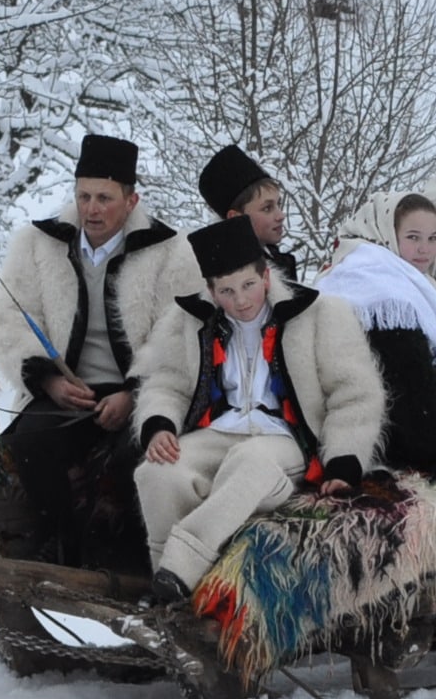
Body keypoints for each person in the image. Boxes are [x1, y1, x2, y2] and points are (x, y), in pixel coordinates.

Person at [132, 218, 386, 598]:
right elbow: (167, 381)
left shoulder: (319, 314)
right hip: (220, 429)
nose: (241, 300)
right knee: (156, 472)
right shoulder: (189, 321)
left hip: (287, 438)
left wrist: (343, 460)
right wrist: (159, 425)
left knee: (249, 462)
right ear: (210, 290)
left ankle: (181, 569)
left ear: (265, 277)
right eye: (226, 291)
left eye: (248, 285)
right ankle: (166, 585)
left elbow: (354, 394)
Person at [0, 134, 200, 568]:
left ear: (131, 201)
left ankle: (126, 557)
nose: (91, 209)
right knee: (30, 440)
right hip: (66, 392)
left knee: (135, 455)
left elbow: (178, 333)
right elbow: (11, 318)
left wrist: (133, 394)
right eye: (83, 196)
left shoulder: (170, 251)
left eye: (104, 198)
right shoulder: (38, 244)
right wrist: (48, 380)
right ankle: (59, 541)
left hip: (140, 395)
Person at [316, 192, 436, 477]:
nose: (425, 249)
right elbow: (409, 377)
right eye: (413, 237)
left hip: (388, 423)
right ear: (386, 232)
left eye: (433, 238)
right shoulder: (380, 286)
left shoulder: (373, 270)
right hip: (385, 433)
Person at [196, 144, 299, 282]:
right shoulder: (237, 282)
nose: (281, 216)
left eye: (278, 204)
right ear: (236, 218)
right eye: (267, 208)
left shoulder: (272, 258)